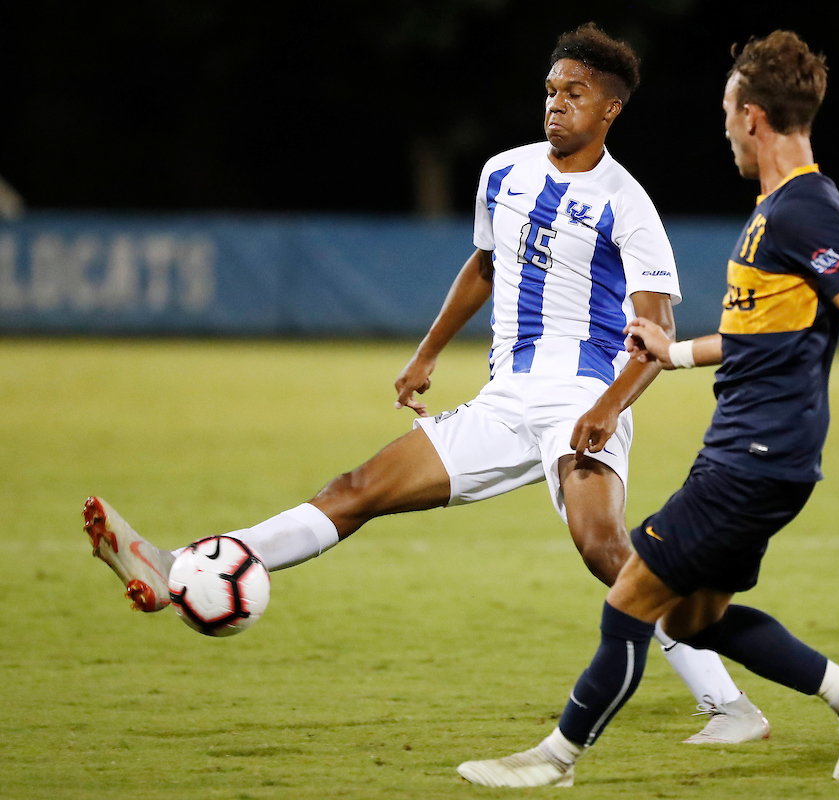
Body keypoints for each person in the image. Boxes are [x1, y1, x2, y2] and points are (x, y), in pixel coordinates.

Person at [83, 23, 770, 745]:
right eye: (550, 90)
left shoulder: (627, 204)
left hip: (582, 399)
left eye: (575, 93)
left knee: (602, 547)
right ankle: (179, 567)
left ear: (610, 109)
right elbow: (485, 267)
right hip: (504, 403)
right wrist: (428, 352)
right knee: (356, 489)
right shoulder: (503, 173)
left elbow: (656, 335)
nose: (556, 104)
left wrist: (606, 407)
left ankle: (730, 705)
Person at [456, 29, 839, 788]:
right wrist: (671, 353)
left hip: (752, 456)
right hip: (764, 456)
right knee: (694, 617)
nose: (724, 127)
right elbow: (759, 336)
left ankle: (554, 761)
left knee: (631, 597)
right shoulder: (782, 209)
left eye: (728, 111)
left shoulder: (801, 209)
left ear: (752, 117)